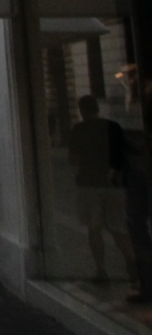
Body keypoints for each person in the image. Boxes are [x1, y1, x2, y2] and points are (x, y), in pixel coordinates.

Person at [69, 94, 137, 284]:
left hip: (89, 184)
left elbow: (73, 159)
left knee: (94, 228)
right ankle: (133, 265)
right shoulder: (113, 127)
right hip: (114, 185)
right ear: (97, 109)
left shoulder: (79, 129)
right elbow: (125, 154)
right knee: (119, 229)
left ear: (82, 110)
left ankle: (101, 270)